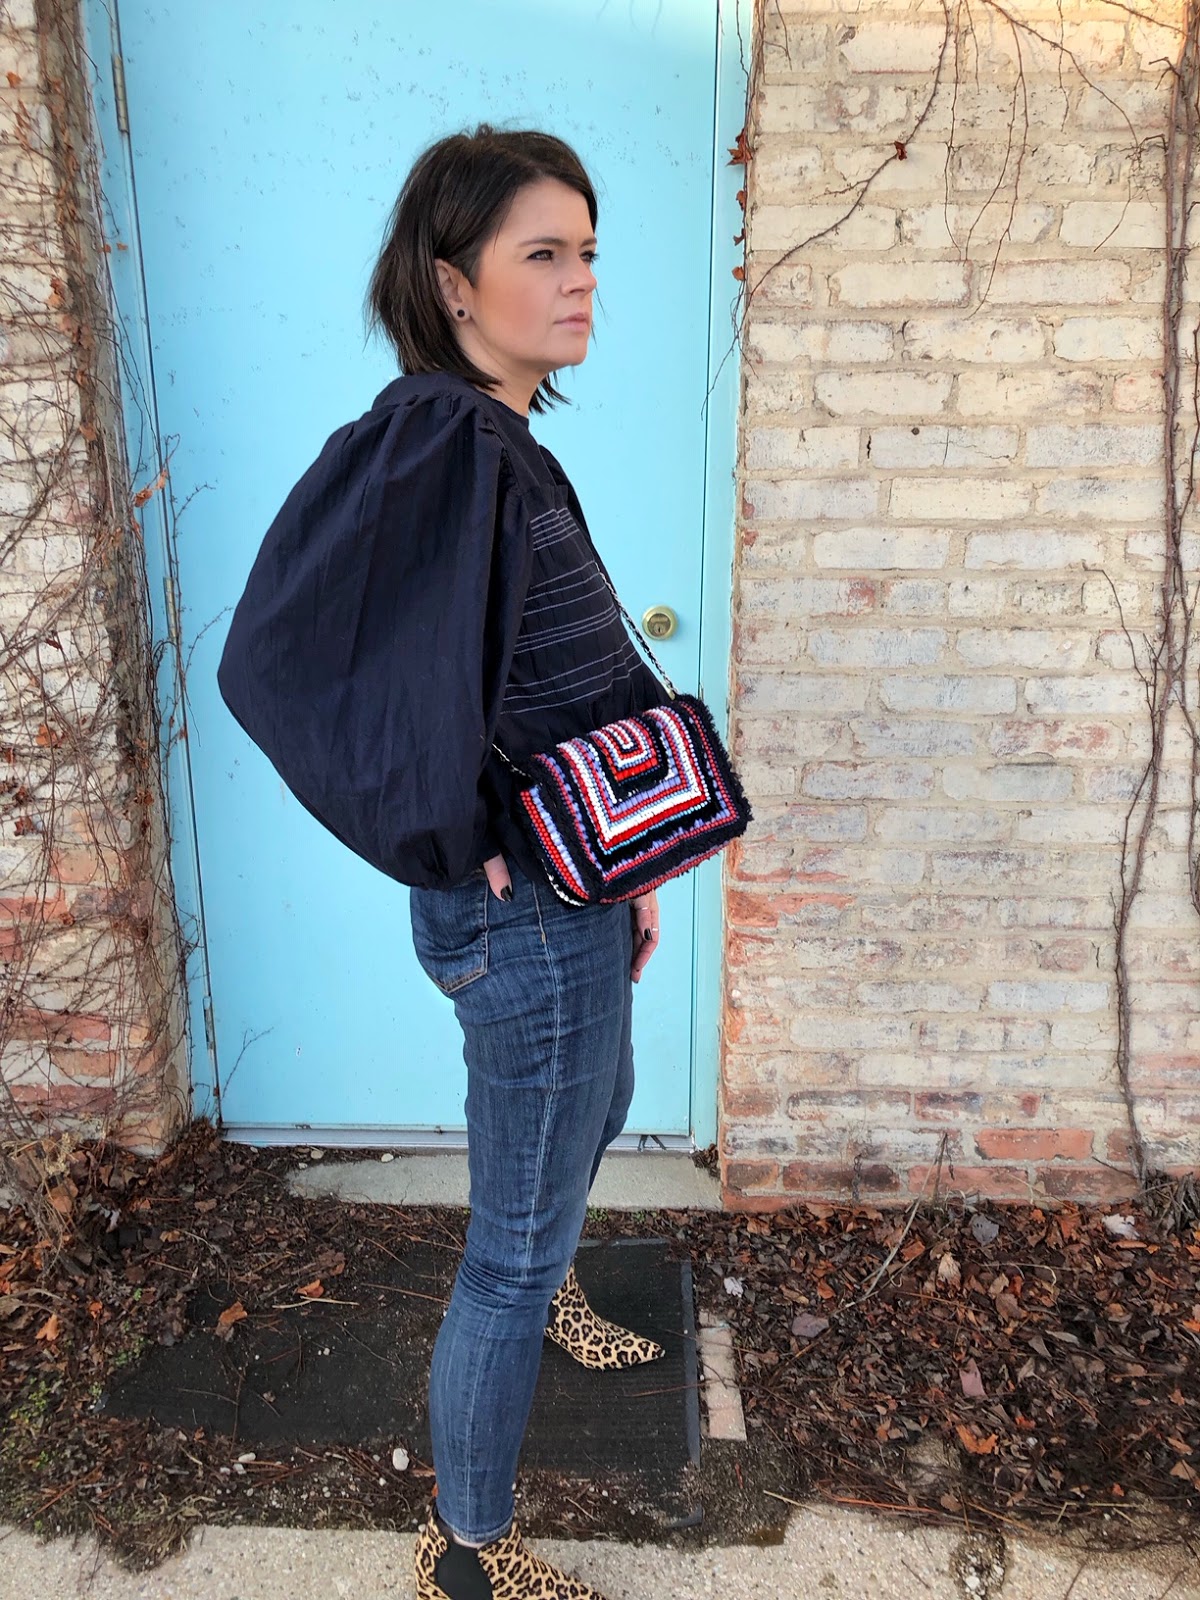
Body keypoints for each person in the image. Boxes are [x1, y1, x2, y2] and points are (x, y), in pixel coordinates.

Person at [218, 125, 677, 1600]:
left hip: (576, 886)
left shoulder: (501, 443)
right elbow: (278, 665)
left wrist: (630, 860)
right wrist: (447, 834)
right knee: (509, 1250)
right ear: (451, 282)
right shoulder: (441, 441)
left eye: (588, 250)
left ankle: (547, 1297)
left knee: (599, 1107)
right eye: (543, 253)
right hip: (525, 913)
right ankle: (468, 1548)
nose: (582, 279)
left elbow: (516, 677)